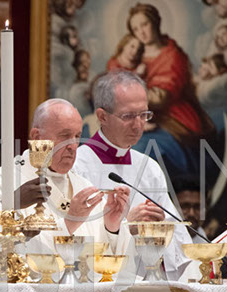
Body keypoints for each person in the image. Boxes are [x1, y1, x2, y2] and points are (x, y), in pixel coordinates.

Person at [74, 71, 192, 280]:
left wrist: (160, 228)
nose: (138, 125)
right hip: (97, 285)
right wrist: (125, 226)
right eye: (128, 116)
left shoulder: (149, 167)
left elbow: (179, 242)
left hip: (147, 284)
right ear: (102, 116)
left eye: (144, 115)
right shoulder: (78, 165)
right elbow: (71, 235)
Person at [0, 98, 130, 254]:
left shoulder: (83, 186)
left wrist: (111, 228)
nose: (73, 146)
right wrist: (68, 224)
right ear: (37, 137)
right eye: (65, 136)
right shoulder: (6, 181)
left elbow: (104, 258)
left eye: (77, 136)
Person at [127, 3, 213, 150]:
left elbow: (162, 97)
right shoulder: (134, 55)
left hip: (172, 115)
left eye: (144, 24)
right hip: (141, 115)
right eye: (135, 29)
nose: (141, 32)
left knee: (141, 149)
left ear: (155, 22)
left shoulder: (173, 56)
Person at [172, 175, 208, 242]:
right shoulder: (159, 242)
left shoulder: (206, 243)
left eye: (198, 207)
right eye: (184, 206)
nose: (191, 214)